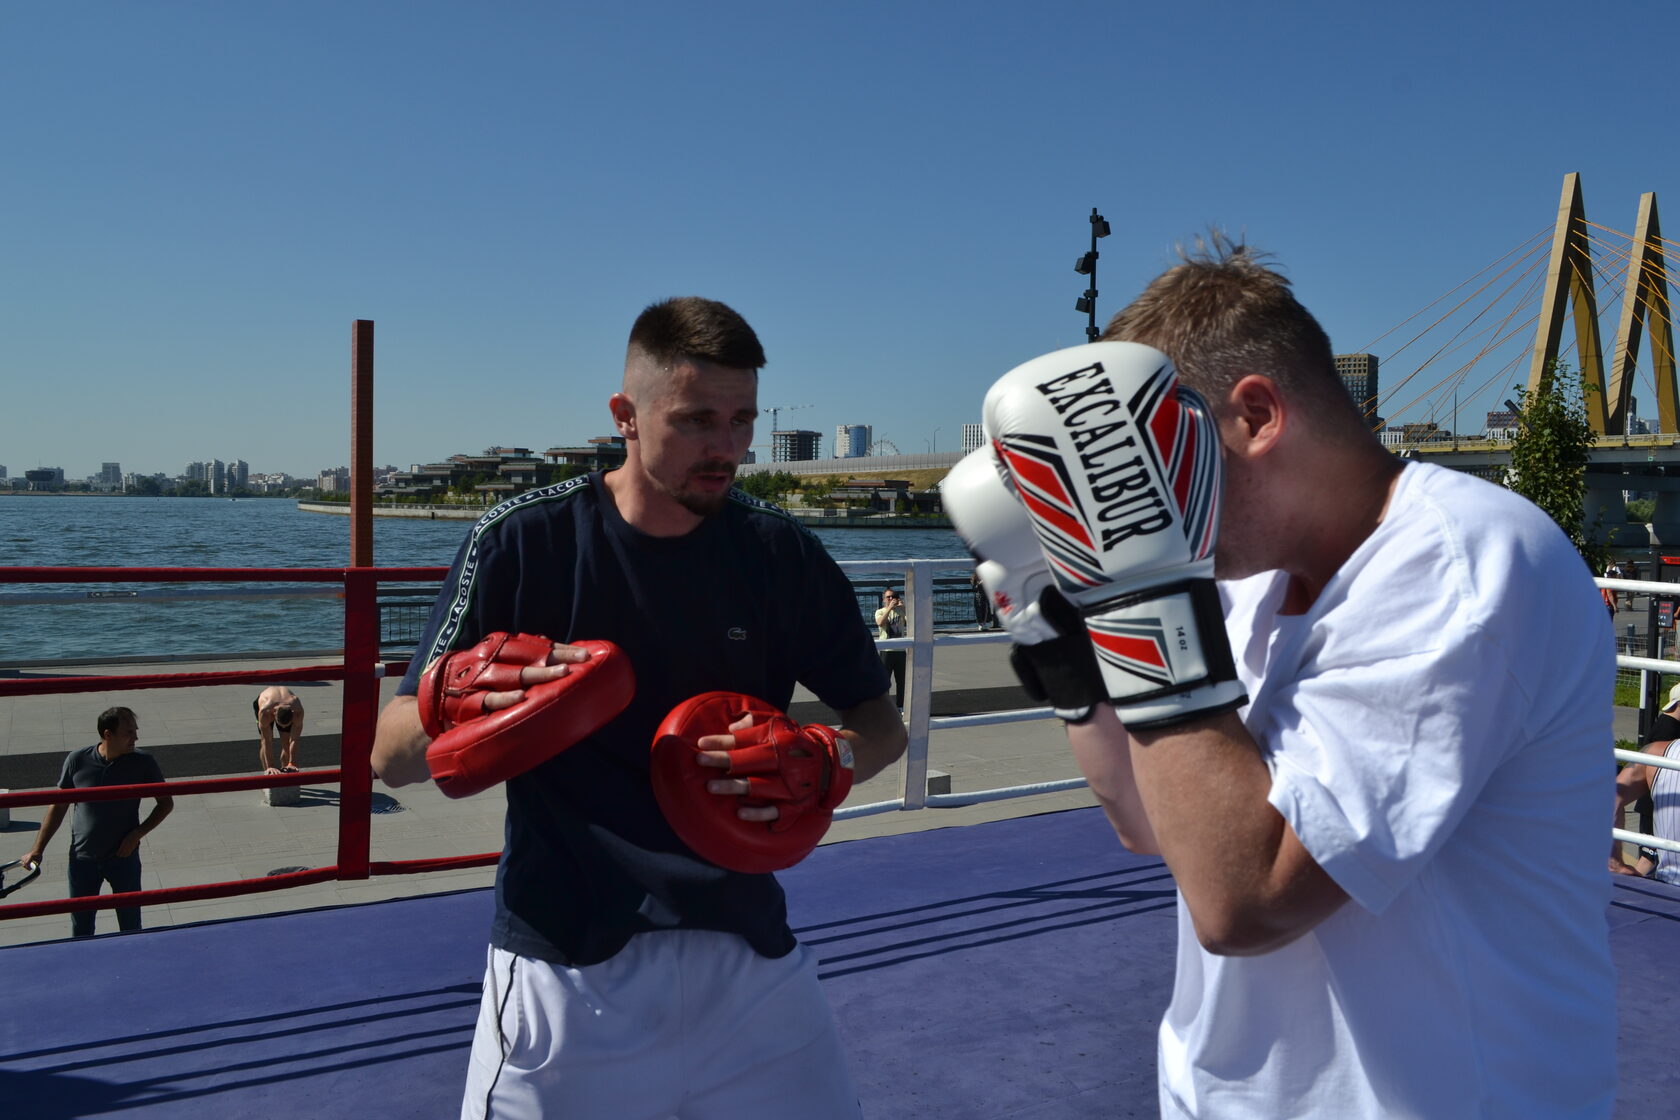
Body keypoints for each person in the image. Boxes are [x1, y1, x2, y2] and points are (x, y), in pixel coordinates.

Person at [977, 238, 1618, 1117]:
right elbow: (1149, 824)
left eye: (1153, 465)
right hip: (1221, 1093)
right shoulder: (1246, 580)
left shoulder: (1462, 563)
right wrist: (1057, 641)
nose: (1152, 508)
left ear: (1255, 415)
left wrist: (1141, 593)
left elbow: (1246, 902)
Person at [370, 296, 906, 1120]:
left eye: (741, 420)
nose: (726, 447)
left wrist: (829, 757)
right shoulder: (525, 541)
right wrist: (457, 697)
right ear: (624, 416)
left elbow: (882, 726)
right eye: (696, 420)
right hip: (566, 971)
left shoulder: (779, 553)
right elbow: (391, 755)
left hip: (751, 961)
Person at [19, 706, 173, 937]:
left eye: (135, 731)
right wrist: (37, 849)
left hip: (124, 859)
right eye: (128, 733)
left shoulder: (143, 762)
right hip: (83, 860)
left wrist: (136, 835)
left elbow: (165, 803)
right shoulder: (77, 760)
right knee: (81, 928)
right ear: (107, 734)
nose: (136, 738)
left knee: (131, 925)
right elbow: (59, 805)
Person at [1610, 733, 1679, 881]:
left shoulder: (1656, 753)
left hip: (1667, 883)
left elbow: (1611, 798)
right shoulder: (1657, 754)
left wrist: (1614, 860)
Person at [253, 685, 304, 774]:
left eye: (286, 725)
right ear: (274, 714)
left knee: (286, 743)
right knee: (266, 740)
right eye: (281, 725)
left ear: (292, 714)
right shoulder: (264, 712)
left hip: (284, 704)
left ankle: (286, 770)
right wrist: (270, 766)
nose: (283, 727)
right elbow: (267, 741)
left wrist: (292, 763)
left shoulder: (298, 710)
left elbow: (294, 739)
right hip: (267, 703)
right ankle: (268, 771)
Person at [874, 587, 907, 706]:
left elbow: (913, 623)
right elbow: (880, 623)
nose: (891, 599)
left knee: (901, 682)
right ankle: (886, 707)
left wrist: (904, 608)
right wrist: (889, 608)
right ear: (884, 599)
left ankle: (901, 706)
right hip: (886, 650)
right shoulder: (880, 611)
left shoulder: (901, 611)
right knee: (885, 681)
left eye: (893, 597)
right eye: (888, 597)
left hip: (900, 650)